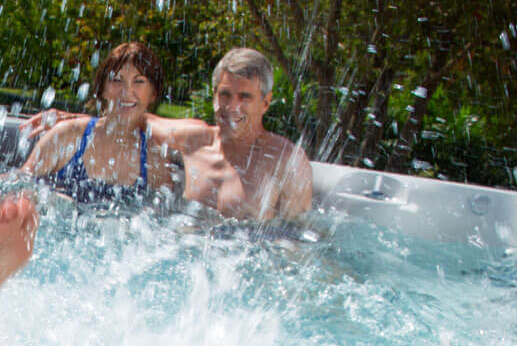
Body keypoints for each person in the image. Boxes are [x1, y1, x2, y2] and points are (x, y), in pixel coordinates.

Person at [26, 46, 313, 221]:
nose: (232, 107)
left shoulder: (286, 161)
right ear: (214, 94)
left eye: (245, 97)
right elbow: (134, 113)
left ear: (266, 102)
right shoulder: (193, 139)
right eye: (225, 94)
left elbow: (297, 239)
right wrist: (76, 121)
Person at [22, 41, 172, 208]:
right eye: (117, 79)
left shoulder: (154, 159)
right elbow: (17, 187)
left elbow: (163, 217)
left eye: (139, 81)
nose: (127, 91)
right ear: (103, 89)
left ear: (153, 93)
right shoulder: (68, 135)